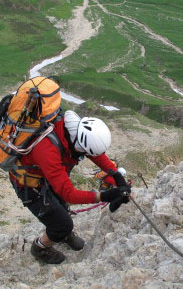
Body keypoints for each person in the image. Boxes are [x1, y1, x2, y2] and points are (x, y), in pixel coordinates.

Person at [10, 110, 131, 264]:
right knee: (62, 224)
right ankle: (40, 248)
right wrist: (105, 196)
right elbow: (69, 194)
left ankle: (64, 235)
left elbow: (94, 153)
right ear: (80, 145)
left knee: (62, 207)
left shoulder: (75, 132)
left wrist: (116, 175)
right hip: (29, 184)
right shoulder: (47, 149)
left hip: (46, 175)